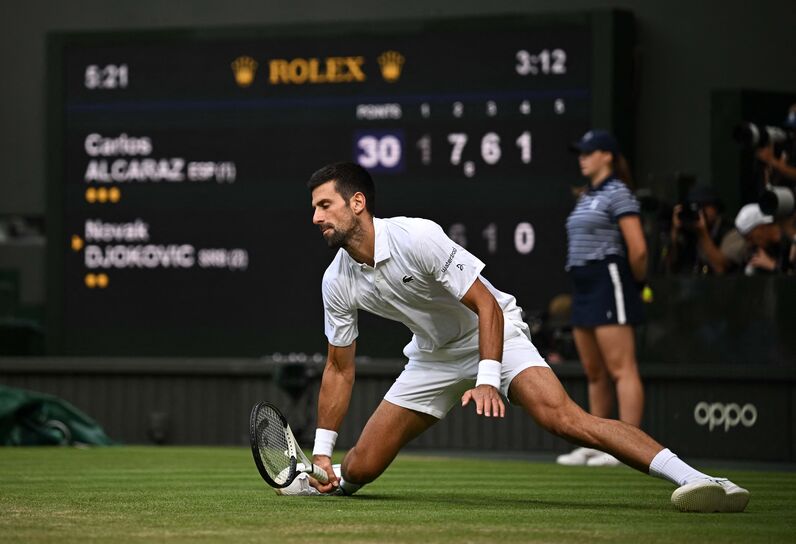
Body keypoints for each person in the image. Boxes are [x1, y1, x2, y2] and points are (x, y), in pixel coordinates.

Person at [285, 161, 749, 513]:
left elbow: (486, 305)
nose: (315, 218)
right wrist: (322, 452)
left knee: (566, 420)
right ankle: (328, 476)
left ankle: (701, 479)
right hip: (432, 357)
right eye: (313, 208)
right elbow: (339, 368)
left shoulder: (416, 237)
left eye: (324, 205)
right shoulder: (337, 280)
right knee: (361, 468)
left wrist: (488, 378)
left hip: (493, 332)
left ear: (358, 203)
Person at [556, 130, 647, 468]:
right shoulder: (586, 195)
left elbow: (637, 249)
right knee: (595, 372)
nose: (582, 157)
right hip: (583, 283)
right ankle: (599, 443)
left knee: (622, 369)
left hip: (609, 280)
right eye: (580, 152)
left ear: (607, 155)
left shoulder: (619, 192)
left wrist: (636, 283)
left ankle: (628, 446)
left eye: (589, 152)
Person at [664, 185, 740, 275]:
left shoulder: (730, 231)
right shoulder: (687, 230)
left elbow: (721, 268)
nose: (699, 211)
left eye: (704, 206)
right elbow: (669, 266)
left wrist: (702, 233)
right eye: (695, 207)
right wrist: (675, 231)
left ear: (716, 207)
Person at [735, 203, 795, 275]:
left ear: (761, 228)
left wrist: (771, 265)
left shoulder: (791, 242)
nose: (750, 243)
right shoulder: (758, 250)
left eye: (750, 238)